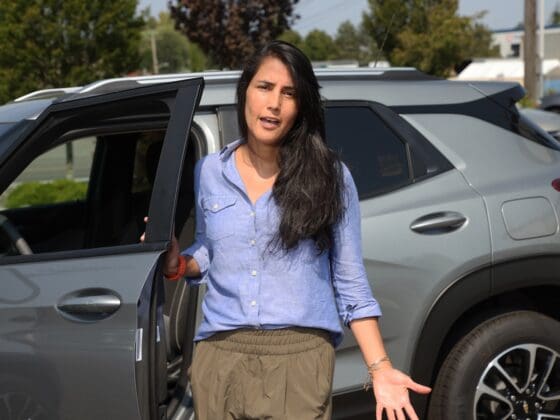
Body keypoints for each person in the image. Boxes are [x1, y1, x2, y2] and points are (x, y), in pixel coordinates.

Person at [162, 40, 431, 420]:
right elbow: (211, 248)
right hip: (219, 356)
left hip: (298, 359)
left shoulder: (331, 177)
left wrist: (380, 368)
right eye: (265, 87)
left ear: (301, 106)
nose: (274, 103)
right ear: (245, 93)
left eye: (289, 94)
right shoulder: (209, 171)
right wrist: (180, 264)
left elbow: (350, 282)